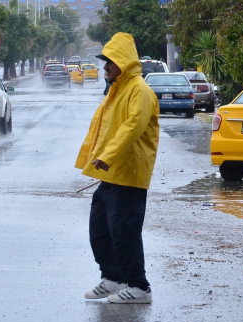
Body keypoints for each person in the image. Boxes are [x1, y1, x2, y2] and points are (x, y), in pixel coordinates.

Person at [75, 32, 160, 304]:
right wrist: (95, 158)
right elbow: (103, 129)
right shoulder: (117, 90)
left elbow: (131, 127)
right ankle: (113, 278)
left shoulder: (140, 91)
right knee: (100, 228)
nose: (104, 68)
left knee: (125, 231)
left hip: (130, 173)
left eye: (109, 63)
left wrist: (108, 155)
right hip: (110, 172)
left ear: (121, 63)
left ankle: (139, 287)